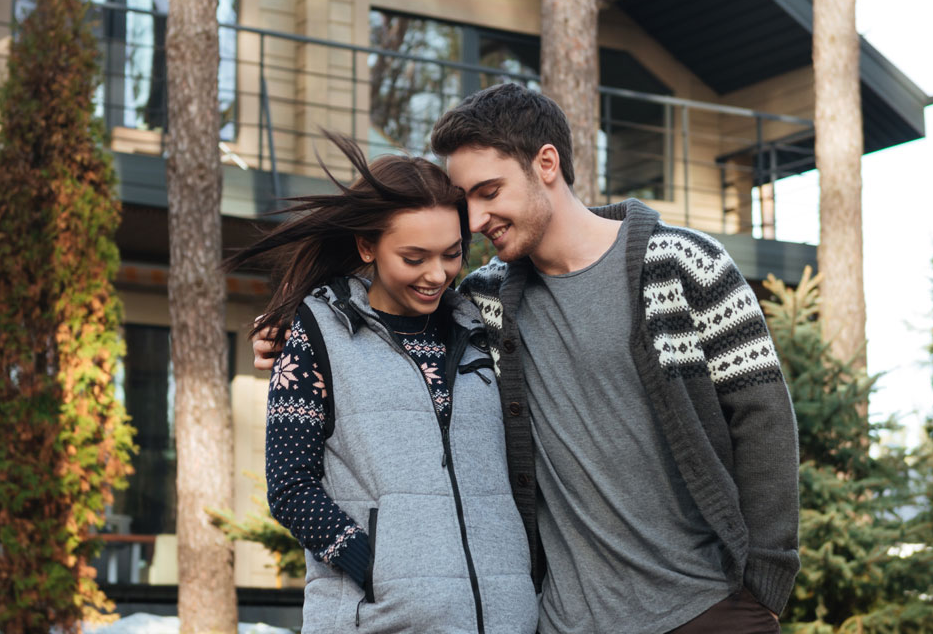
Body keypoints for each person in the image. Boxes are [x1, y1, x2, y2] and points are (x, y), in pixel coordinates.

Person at [256, 86, 799, 634]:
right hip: (563, 622)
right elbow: (386, 295)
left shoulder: (684, 266)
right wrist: (292, 328)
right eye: (466, 198)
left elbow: (763, 421)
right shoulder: (484, 303)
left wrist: (764, 590)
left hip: (705, 610)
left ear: (546, 163)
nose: (474, 218)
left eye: (489, 191)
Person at [230, 132, 537, 634]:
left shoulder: (482, 324)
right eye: (414, 258)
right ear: (366, 245)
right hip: (380, 620)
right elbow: (290, 486)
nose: (436, 275)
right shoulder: (317, 333)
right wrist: (377, 567)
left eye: (452, 254)